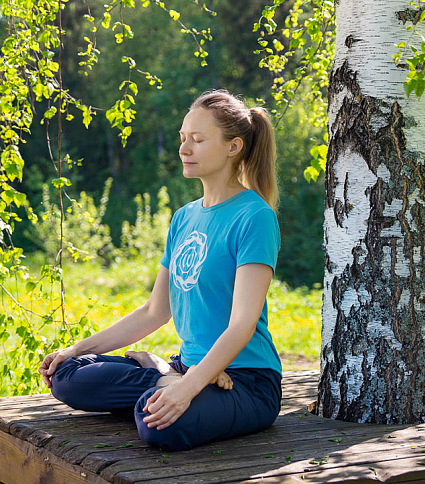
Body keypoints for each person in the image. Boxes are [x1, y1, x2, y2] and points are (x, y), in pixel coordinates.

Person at [38, 90, 283, 451]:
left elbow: (242, 325)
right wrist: (75, 349)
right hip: (187, 370)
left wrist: (190, 386)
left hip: (247, 382)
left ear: (233, 147)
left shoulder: (255, 217)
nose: (184, 149)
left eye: (197, 140)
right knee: (66, 373)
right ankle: (165, 378)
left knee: (157, 424)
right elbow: (155, 311)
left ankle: (166, 381)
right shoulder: (184, 217)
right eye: (183, 138)